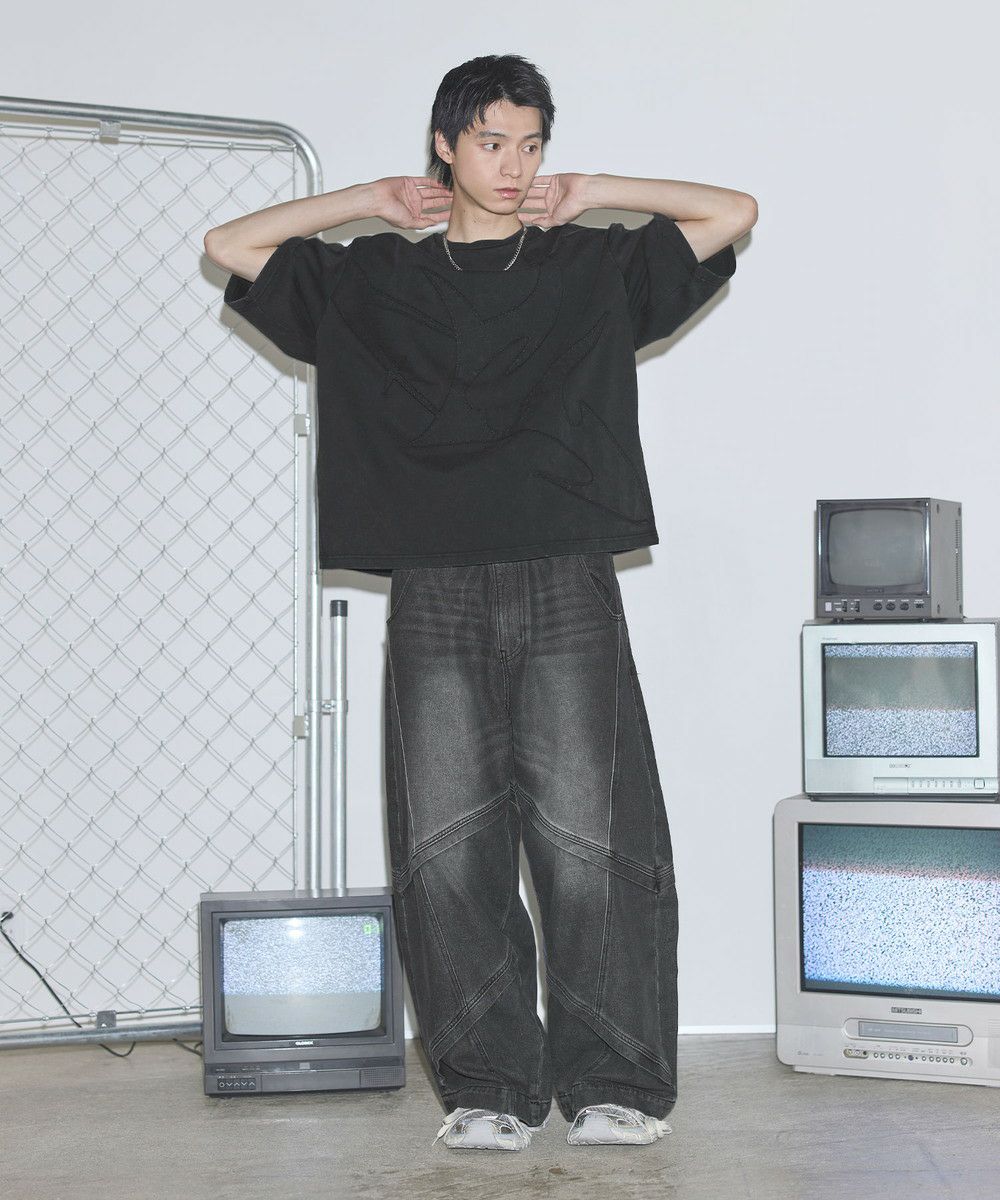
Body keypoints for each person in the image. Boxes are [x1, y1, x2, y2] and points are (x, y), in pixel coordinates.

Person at [204, 53, 756, 1152]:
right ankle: (490, 1088)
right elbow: (231, 245)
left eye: (531, 144)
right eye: (492, 141)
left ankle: (616, 1085)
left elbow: (731, 211)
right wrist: (367, 203)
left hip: (565, 573)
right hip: (436, 584)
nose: (513, 164)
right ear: (445, 146)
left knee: (593, 840)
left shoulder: (588, 265)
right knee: (447, 846)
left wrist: (596, 192)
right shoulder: (374, 281)